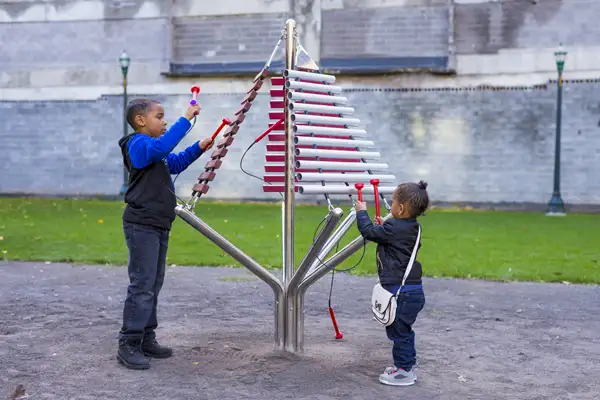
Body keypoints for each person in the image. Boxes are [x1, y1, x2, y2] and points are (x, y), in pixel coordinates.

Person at [116, 98, 214, 370]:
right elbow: (160, 147)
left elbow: (175, 162)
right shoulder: (137, 145)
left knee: (153, 284)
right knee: (142, 285)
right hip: (141, 224)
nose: (164, 121)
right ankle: (129, 342)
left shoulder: (155, 155)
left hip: (158, 224)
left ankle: (146, 337)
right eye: (159, 117)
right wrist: (186, 119)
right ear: (140, 121)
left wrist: (198, 148)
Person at [355, 181, 430, 386]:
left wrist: (361, 213)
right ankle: (406, 366)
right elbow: (388, 237)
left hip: (402, 292)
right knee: (402, 330)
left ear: (401, 208)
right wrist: (384, 227)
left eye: (394, 202)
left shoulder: (394, 227)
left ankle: (404, 372)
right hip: (411, 291)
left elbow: (369, 233)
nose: (392, 206)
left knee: (400, 332)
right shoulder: (411, 226)